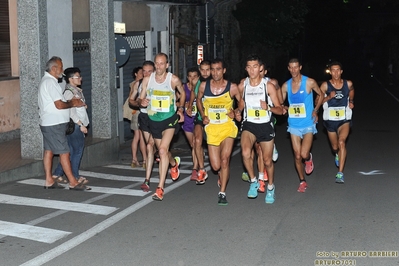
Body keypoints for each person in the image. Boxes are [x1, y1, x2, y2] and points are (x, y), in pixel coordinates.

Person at [137, 53, 185, 201]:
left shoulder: (173, 79)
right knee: (162, 152)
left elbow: (182, 94)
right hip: (154, 121)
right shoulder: (147, 80)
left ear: (167, 65)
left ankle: (160, 188)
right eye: (156, 63)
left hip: (169, 119)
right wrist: (142, 102)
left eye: (161, 63)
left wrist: (181, 109)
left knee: (163, 150)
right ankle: (173, 163)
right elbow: (140, 99)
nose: (158, 66)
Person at [238, 55, 285, 204]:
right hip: (249, 124)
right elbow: (240, 104)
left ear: (260, 68)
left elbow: (280, 110)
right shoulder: (242, 85)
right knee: (245, 153)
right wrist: (237, 112)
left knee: (267, 160)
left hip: (265, 125)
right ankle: (254, 181)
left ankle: (270, 187)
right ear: (246, 69)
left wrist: (269, 107)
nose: (252, 70)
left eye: (255, 67)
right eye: (249, 67)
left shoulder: (268, 86)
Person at [196, 58, 243, 205]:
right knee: (216, 166)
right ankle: (221, 175)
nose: (215, 72)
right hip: (212, 129)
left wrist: (236, 112)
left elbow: (241, 101)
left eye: (218, 69)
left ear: (224, 71)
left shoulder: (232, 87)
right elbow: (198, 100)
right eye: (212, 69)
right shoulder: (204, 86)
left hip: (228, 127)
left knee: (224, 160)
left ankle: (222, 193)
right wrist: (203, 115)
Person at [38, 56, 87, 190]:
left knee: (49, 151)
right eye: (60, 68)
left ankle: (49, 180)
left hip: (49, 123)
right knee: (64, 152)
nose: (62, 70)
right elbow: (59, 105)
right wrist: (73, 103)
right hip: (54, 124)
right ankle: (72, 181)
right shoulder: (50, 82)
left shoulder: (47, 81)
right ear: (54, 69)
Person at [281, 58, 323, 193]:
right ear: (288, 68)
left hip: (308, 123)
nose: (293, 70)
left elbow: (321, 95)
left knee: (304, 154)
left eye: (295, 67)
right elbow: (279, 102)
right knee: (297, 156)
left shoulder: (309, 82)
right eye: (291, 68)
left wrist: (316, 110)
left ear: (300, 67)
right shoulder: (286, 86)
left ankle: (309, 158)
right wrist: (282, 107)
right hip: (293, 124)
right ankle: (302, 181)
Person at [52, 67, 90, 188]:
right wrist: (80, 125)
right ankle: (75, 177)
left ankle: (58, 174)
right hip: (75, 126)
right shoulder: (69, 92)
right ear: (70, 79)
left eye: (80, 76)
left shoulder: (75, 90)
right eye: (77, 77)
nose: (80, 79)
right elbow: (70, 111)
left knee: (70, 151)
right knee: (77, 151)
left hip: (75, 125)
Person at [320, 61, 354, 183]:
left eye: (337, 70)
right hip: (330, 121)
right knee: (335, 147)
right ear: (330, 72)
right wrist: (328, 97)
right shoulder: (325, 85)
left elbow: (351, 90)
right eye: (333, 70)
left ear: (341, 71)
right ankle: (337, 154)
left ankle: (340, 173)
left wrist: (351, 101)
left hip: (344, 119)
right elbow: (317, 102)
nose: (335, 72)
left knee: (341, 142)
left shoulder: (348, 83)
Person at [129, 61, 155, 192]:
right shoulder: (137, 84)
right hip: (144, 117)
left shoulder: (162, 83)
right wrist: (139, 102)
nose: (146, 74)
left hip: (160, 118)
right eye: (144, 71)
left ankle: (173, 163)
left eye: (149, 71)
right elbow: (131, 100)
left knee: (161, 148)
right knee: (149, 145)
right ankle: (147, 180)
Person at [188, 60, 211, 185]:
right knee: (196, 141)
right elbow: (194, 94)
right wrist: (190, 105)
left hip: (215, 119)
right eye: (203, 70)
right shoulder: (198, 83)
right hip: (201, 117)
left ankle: (220, 171)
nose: (205, 72)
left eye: (208, 69)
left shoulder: (216, 82)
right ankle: (201, 169)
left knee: (216, 154)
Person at [182, 67, 201, 181]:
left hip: (198, 118)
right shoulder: (184, 88)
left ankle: (195, 169)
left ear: (198, 77)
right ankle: (198, 157)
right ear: (187, 77)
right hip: (187, 119)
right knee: (193, 145)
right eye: (190, 76)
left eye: (195, 76)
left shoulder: (202, 87)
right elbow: (178, 100)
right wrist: (182, 106)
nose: (192, 78)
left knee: (195, 142)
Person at [128, 66, 147, 169]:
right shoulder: (136, 84)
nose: (142, 74)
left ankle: (135, 159)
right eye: (141, 72)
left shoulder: (139, 83)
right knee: (141, 137)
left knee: (137, 137)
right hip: (138, 112)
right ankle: (143, 160)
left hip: (137, 112)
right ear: (136, 74)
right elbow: (131, 99)